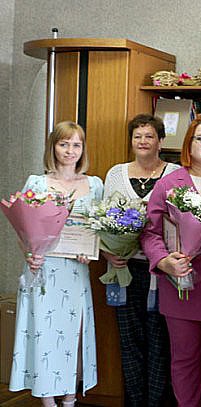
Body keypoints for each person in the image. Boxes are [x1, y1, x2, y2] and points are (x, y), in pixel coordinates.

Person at [9, 121, 102, 407]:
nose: (70, 150)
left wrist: (91, 251)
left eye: (76, 145)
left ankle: (70, 398)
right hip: (43, 269)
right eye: (64, 144)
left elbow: (99, 231)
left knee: (75, 334)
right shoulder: (36, 183)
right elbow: (23, 230)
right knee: (44, 333)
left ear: (83, 149)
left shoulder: (94, 185)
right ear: (53, 147)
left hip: (76, 270)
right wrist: (30, 254)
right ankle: (48, 400)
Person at [140, 117, 201, 406]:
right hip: (182, 283)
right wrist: (163, 261)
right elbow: (150, 232)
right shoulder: (170, 183)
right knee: (185, 359)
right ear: (188, 145)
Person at [103, 113, 180, 406]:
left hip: (162, 270)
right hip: (124, 269)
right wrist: (108, 251)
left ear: (160, 141)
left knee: (160, 340)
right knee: (129, 340)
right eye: (138, 136)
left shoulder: (175, 173)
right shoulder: (116, 174)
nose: (143, 141)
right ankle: (135, 401)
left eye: (149, 136)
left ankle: (157, 402)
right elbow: (104, 217)